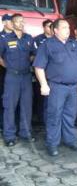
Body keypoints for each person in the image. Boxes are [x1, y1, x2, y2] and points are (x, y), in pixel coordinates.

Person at [34, 18, 77, 156]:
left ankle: (70, 140)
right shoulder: (47, 45)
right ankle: (52, 144)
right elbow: (39, 66)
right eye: (64, 27)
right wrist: (44, 84)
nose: (67, 30)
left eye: (68, 27)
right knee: (54, 116)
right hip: (57, 87)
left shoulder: (74, 44)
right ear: (55, 30)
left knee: (70, 115)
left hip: (73, 87)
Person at [0, 13, 35, 146]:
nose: (22, 23)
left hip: (26, 76)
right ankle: (9, 136)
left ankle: (25, 133)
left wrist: (28, 61)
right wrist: (8, 66)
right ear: (12, 23)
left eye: (23, 21)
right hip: (12, 77)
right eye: (19, 21)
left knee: (26, 105)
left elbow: (33, 54)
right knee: (9, 106)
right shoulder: (5, 39)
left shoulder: (28, 38)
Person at [33, 19, 53, 125]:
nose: (51, 28)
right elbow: (34, 55)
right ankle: (41, 118)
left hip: (53, 73)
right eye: (49, 26)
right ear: (44, 27)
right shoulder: (37, 39)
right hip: (40, 71)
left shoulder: (56, 39)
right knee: (41, 97)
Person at [0, 13, 13, 132]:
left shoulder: (17, 36)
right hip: (3, 73)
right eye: (10, 21)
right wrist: (8, 67)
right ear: (4, 22)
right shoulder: (1, 37)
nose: (12, 23)